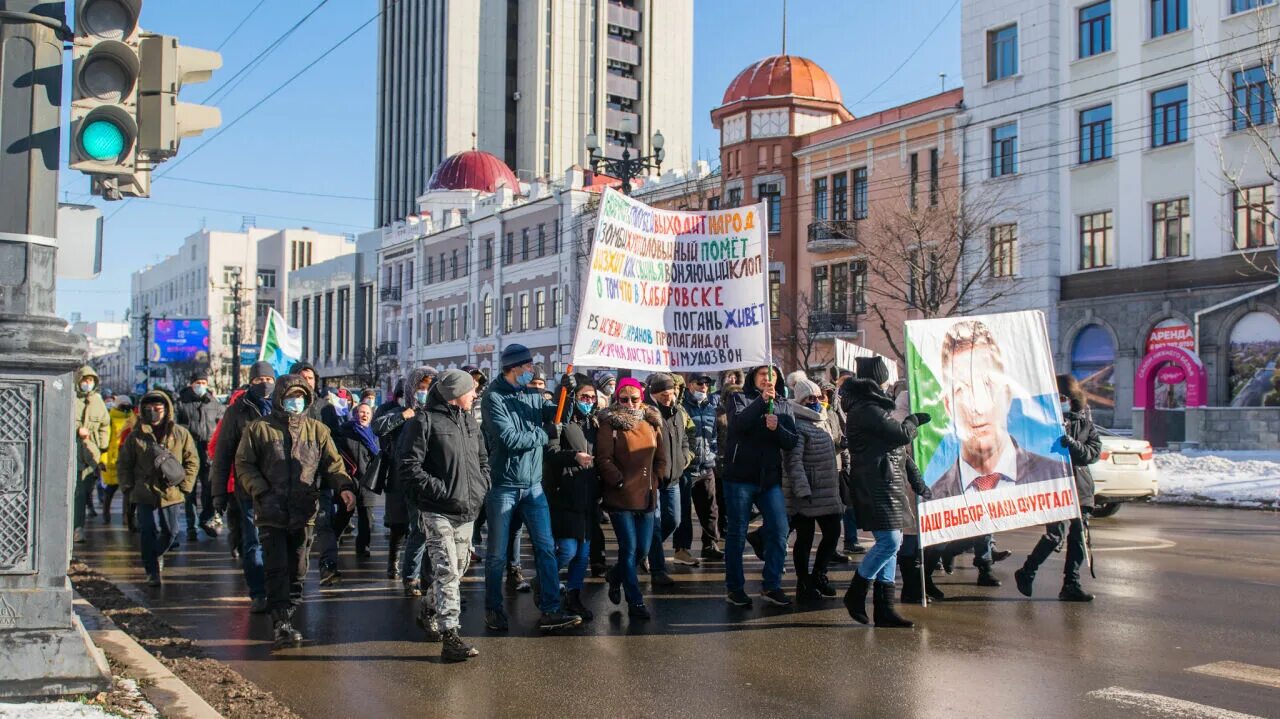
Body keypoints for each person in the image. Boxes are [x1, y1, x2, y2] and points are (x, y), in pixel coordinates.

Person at [235, 373, 356, 649]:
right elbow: (244, 464)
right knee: (276, 567)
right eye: (291, 397)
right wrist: (261, 490)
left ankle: (289, 612)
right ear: (280, 398)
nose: (296, 402)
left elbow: (333, 465)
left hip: (304, 511)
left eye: (300, 397)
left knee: (299, 568)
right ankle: (281, 622)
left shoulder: (317, 430)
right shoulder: (259, 429)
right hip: (270, 510)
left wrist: (344, 487)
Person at [480, 344, 582, 633]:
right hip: (504, 487)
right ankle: (493, 608)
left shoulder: (532, 395)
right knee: (498, 554)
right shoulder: (493, 399)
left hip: (533, 486)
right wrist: (543, 433)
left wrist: (568, 393)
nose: (532, 372)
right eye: (528, 367)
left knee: (546, 548)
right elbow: (508, 439)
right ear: (515, 368)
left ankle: (550, 608)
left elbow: (557, 416)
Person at [398, 369, 488, 661]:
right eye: (470, 390)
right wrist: (440, 490)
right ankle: (451, 637)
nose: (474, 395)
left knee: (457, 570)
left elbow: (483, 459)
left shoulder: (470, 422)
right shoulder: (424, 421)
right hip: (437, 511)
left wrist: (482, 484)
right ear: (454, 393)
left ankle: (428, 609)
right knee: (447, 570)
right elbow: (409, 467)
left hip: (467, 510)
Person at [843, 356, 931, 628]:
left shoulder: (872, 407)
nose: (888, 383)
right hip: (876, 483)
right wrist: (913, 420)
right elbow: (901, 435)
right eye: (885, 378)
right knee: (890, 542)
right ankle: (856, 591)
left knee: (894, 544)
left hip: (887, 481)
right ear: (875, 380)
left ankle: (885, 608)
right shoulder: (868, 409)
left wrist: (916, 480)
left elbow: (899, 451)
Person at [931, 320, 1062, 499]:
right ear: (948, 406)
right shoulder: (933, 498)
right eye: (962, 389)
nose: (977, 406)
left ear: (1007, 394)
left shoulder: (1055, 477)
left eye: (988, 385)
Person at [1014, 375, 1101, 603]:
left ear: (1072, 398)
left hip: (1080, 488)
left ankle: (1071, 584)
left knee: (1078, 538)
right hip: (1056, 487)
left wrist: (1073, 445)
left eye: (1064, 397)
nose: (1062, 401)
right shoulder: (1045, 422)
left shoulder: (1084, 424)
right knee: (1055, 536)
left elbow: (1093, 452)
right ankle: (1027, 571)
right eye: (1057, 397)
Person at [722, 365, 797, 608]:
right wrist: (761, 402)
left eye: (772, 375)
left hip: (769, 479)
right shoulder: (738, 398)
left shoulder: (784, 403)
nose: (768, 378)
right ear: (754, 377)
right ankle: (735, 588)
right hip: (740, 477)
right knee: (737, 533)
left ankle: (771, 584)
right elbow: (737, 425)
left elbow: (791, 441)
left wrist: (778, 428)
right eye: (763, 374)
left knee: (779, 529)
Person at [596, 378, 666, 620]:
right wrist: (618, 481)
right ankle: (635, 601)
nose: (629, 403)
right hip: (621, 495)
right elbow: (603, 458)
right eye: (623, 399)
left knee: (642, 549)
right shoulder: (610, 423)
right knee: (629, 548)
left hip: (646, 493)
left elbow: (661, 457)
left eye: (634, 399)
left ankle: (615, 576)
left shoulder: (652, 420)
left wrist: (656, 479)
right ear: (617, 399)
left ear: (642, 397)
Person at [210, 361, 276, 613]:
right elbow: (223, 453)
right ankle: (259, 592)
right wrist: (218, 493)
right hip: (248, 488)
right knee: (253, 541)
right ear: (251, 382)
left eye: (268, 379)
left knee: (280, 541)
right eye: (258, 381)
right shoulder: (237, 411)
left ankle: (280, 589)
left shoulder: (285, 407)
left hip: (281, 487)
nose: (264, 384)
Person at [117, 390, 200, 586]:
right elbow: (124, 464)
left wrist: (185, 487)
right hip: (143, 490)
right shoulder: (135, 435)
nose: (154, 413)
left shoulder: (180, 433)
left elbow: (192, 460)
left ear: (166, 410)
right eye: (149, 409)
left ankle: (155, 554)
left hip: (171, 490)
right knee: (147, 530)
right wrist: (128, 488)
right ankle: (151, 571)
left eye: (158, 409)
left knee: (171, 532)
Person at [543, 373, 600, 622]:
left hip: (588, 494)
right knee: (567, 549)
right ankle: (545, 583)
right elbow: (552, 452)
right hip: (564, 493)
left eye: (592, 397)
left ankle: (574, 596)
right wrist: (574, 456)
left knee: (583, 553)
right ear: (572, 398)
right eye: (583, 396)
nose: (588, 401)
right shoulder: (559, 420)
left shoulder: (593, 424)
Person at [783, 378, 844, 601]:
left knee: (832, 534)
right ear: (799, 400)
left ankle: (819, 574)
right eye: (809, 398)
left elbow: (824, 453)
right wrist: (802, 489)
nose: (815, 401)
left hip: (827, 490)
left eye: (817, 397)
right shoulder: (797, 424)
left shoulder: (823, 420)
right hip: (807, 493)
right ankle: (803, 582)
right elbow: (793, 461)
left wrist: (840, 446)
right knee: (805, 539)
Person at [380, 367, 437, 595]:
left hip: (424, 479)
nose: (425, 393)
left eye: (428, 388)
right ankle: (406, 572)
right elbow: (378, 427)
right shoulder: (396, 410)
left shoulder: (433, 412)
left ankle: (418, 577)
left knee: (421, 529)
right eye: (421, 388)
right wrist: (403, 415)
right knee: (399, 527)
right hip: (398, 477)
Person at [644, 372, 691, 587]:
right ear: (654, 394)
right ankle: (657, 569)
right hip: (652, 479)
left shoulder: (679, 412)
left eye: (671, 393)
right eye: (664, 394)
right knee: (654, 524)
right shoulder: (646, 413)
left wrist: (685, 458)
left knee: (673, 520)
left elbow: (684, 439)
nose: (669, 398)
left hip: (673, 478)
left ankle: (645, 551)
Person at [372, 378, 417, 581]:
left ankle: (412, 567)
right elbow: (377, 427)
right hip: (396, 472)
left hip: (416, 471)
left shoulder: (421, 409)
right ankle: (393, 563)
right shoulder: (388, 409)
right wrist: (402, 415)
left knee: (417, 524)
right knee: (398, 523)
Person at [175, 369, 225, 541]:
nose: (201, 386)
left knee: (209, 489)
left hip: (208, 452)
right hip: (188, 452)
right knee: (189, 490)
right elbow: (175, 427)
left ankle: (206, 517)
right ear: (191, 384)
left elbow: (221, 426)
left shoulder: (213, 402)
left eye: (203, 383)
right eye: (198, 383)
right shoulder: (181, 402)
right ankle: (191, 526)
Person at [677, 373, 721, 563]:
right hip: (687, 468)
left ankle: (710, 545)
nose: (704, 387)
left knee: (710, 509)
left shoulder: (711, 408)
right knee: (683, 511)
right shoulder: (681, 408)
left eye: (707, 383)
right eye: (700, 383)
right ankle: (682, 549)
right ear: (689, 385)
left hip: (707, 467)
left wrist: (713, 455)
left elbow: (714, 436)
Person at [335, 402, 381, 559]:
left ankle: (363, 547)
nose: (365, 415)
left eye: (368, 413)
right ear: (355, 414)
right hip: (349, 480)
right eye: (361, 412)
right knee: (344, 513)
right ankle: (332, 541)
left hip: (368, 481)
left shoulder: (374, 433)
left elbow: (379, 455)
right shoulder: (346, 431)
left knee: (366, 517)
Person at [73, 365, 111, 543]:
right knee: (77, 493)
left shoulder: (98, 401)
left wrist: (102, 446)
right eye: (84, 380)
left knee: (86, 491)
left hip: (91, 454)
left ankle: (78, 526)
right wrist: (76, 429)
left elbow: (105, 424)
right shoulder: (71, 398)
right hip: (73, 453)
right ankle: (76, 528)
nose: (87, 384)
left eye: (90, 381)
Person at [101, 394, 135, 524]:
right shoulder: (110, 419)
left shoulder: (133, 419)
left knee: (128, 491)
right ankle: (106, 515)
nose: (125, 408)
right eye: (122, 405)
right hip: (112, 459)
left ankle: (128, 518)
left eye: (128, 405)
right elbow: (105, 440)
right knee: (110, 490)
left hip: (128, 459)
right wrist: (103, 459)